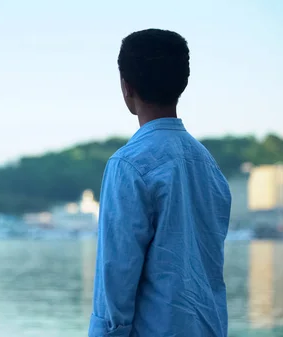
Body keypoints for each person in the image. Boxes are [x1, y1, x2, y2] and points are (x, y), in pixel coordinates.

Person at [88, 29, 231, 337]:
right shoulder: (209, 166)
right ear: (183, 83)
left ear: (127, 87)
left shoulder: (128, 164)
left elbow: (115, 279)